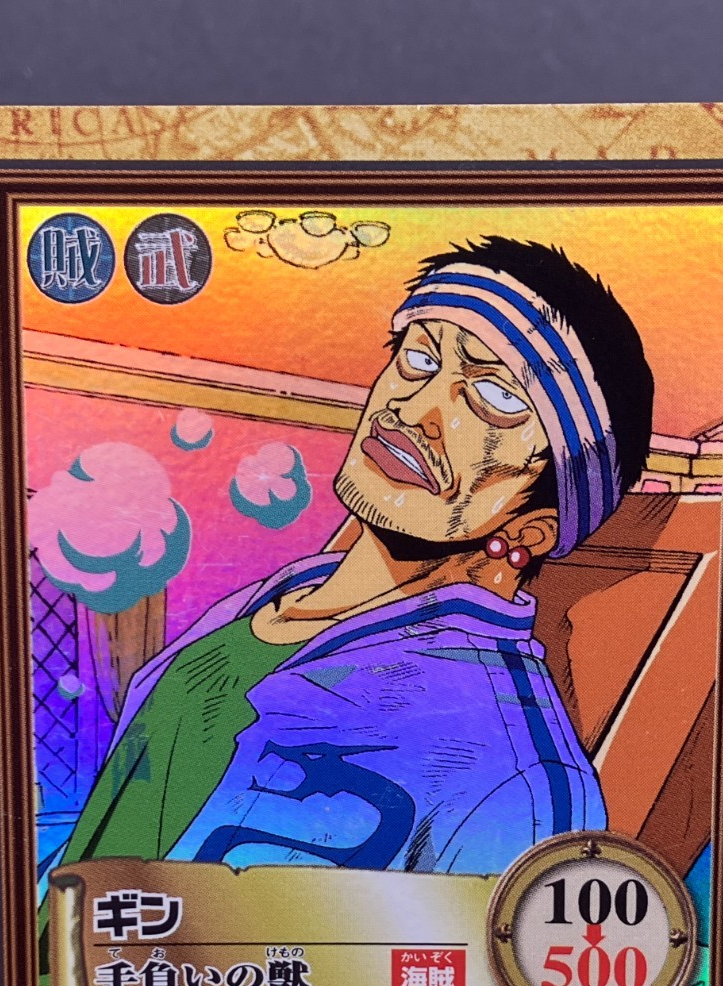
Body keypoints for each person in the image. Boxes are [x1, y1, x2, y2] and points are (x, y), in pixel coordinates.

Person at [54, 236, 653, 878]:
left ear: (536, 527)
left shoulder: (520, 775)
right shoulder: (264, 605)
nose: (413, 409)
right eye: (419, 358)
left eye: (497, 398)